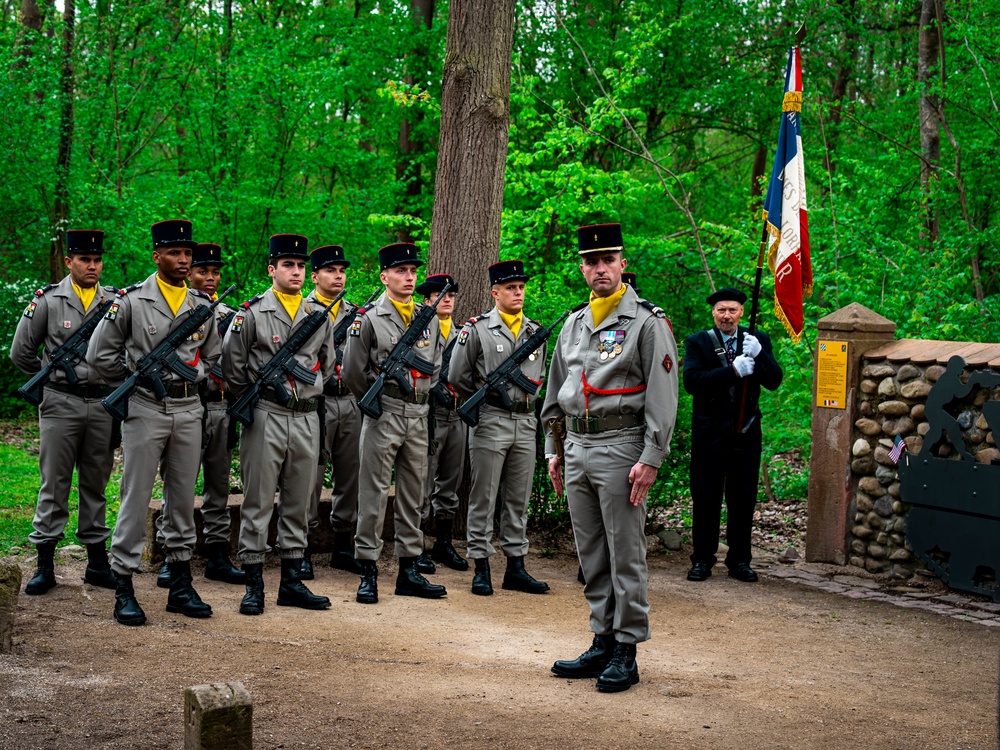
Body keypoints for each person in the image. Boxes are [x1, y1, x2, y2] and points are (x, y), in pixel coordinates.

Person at [542, 222, 678, 693]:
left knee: (625, 553)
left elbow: (664, 395)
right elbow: (555, 392)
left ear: (623, 264)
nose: (600, 269)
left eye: (608, 260)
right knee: (592, 554)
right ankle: (602, 638)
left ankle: (627, 649)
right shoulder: (574, 323)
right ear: (582, 268)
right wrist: (553, 449)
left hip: (622, 449)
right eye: (592, 262)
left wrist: (652, 456)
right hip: (576, 447)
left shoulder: (646, 321)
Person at [88, 219, 220, 626]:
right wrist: (133, 382)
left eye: (187, 254)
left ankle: (180, 584)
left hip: (189, 409)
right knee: (135, 497)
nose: (183, 260)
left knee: (182, 497)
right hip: (145, 409)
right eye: (175, 253)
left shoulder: (201, 306)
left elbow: (213, 356)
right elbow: (98, 356)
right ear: (156, 256)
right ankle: (124, 586)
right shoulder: (130, 302)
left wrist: (193, 377)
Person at [222, 233, 334, 615]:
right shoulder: (251, 313)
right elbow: (233, 369)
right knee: (257, 501)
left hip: (306, 417)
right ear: (272, 269)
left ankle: (291, 582)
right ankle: (254, 584)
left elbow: (328, 363)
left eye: (301, 266)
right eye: (288, 265)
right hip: (266, 415)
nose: (297, 271)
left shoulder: (318, 315)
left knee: (299, 501)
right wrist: (260, 397)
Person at [10, 229, 119, 594]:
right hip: (60, 401)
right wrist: (49, 386)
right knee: (54, 481)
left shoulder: (115, 301)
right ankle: (45, 564)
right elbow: (21, 352)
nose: (92, 265)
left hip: (102, 402)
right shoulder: (48, 300)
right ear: (69, 261)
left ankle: (97, 562)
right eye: (85, 260)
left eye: (97, 260)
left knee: (96, 482)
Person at [342, 242, 445, 604]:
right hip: (383, 412)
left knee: (414, 494)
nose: (409, 276)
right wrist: (377, 399)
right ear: (384, 276)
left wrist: (418, 393)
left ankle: (409, 570)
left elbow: (436, 364)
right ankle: (367, 570)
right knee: (372, 495)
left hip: (418, 414)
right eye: (401, 271)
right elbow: (354, 371)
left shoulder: (427, 316)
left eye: (413, 271)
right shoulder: (368, 318)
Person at [450, 260, 549, 596]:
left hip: (525, 421)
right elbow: (456, 376)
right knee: (484, 497)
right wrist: (485, 398)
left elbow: (540, 378)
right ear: (495, 292)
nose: (518, 292)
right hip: (491, 420)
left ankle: (516, 566)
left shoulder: (536, 332)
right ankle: (481, 565)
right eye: (510, 288)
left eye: (521, 287)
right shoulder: (476, 329)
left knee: (518, 498)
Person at [682, 287, 783, 584]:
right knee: (705, 497)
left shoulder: (757, 340)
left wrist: (760, 356)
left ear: (741, 312)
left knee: (742, 498)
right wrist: (732, 371)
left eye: (733, 310)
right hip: (709, 432)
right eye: (721, 310)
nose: (727, 316)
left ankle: (740, 560)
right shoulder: (698, 342)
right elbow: (692, 382)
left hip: (746, 432)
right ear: (713, 313)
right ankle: (702, 559)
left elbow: (774, 380)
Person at [304, 243, 363, 577]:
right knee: (309, 477)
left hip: (350, 401)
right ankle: (303, 549)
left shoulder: (355, 312)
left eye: (341, 271)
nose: (338, 276)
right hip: (318, 401)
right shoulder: (303, 309)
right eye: (330, 270)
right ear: (316, 276)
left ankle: (343, 545)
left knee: (349, 474)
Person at [415, 273, 469, 574]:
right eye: (440, 294)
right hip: (429, 415)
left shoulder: (464, 332)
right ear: (427, 299)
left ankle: (444, 543)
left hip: (457, 414)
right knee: (423, 481)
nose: (447, 299)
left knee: (450, 481)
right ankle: (417, 545)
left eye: (451, 295)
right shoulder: (419, 330)